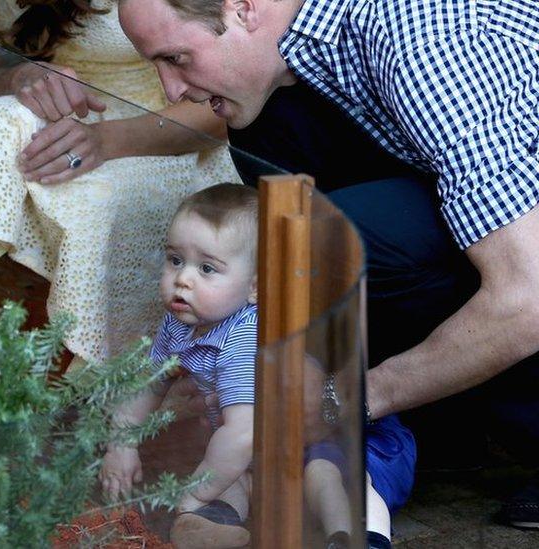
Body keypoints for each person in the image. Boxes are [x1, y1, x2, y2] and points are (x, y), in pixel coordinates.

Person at [117, 0, 539, 530]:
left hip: (529, 268)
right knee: (273, 153)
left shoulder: (424, 44)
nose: (171, 90)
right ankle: (442, 424)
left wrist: (348, 401)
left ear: (243, 9)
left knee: (330, 236)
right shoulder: (299, 60)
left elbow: (527, 299)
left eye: (177, 58)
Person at [99, 185, 412, 548]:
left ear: (254, 288)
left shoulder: (244, 338)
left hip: (340, 437)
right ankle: (211, 524)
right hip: (261, 456)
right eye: (174, 260)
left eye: (206, 268)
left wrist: (194, 492)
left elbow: (244, 434)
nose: (183, 279)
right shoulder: (181, 321)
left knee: (330, 477)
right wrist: (121, 443)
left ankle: (357, 535)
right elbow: (150, 383)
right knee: (227, 475)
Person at [0, 0, 242, 367]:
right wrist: (19, 76)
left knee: (94, 197)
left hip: (174, 130)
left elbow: (236, 95)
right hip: (70, 119)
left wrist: (107, 141)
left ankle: (98, 368)